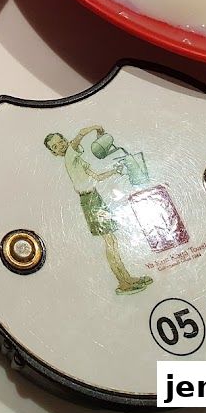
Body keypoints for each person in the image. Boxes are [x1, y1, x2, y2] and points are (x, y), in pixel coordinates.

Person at [44, 126, 153, 295]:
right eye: (56, 146)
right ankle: (123, 282)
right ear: (54, 153)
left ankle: (127, 278)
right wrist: (97, 128)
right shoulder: (70, 156)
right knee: (109, 241)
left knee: (112, 241)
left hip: (94, 197)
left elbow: (97, 177)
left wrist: (115, 171)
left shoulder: (75, 159)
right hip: (89, 200)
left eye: (61, 141)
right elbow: (80, 135)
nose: (61, 145)